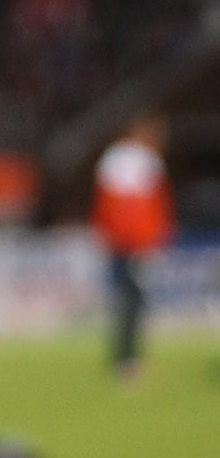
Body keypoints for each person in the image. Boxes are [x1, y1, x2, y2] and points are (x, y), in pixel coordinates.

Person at [94, 112, 175, 384]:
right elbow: (142, 208)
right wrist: (148, 240)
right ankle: (128, 361)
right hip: (134, 243)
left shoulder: (113, 158)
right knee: (134, 301)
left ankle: (127, 359)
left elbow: (107, 208)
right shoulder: (144, 161)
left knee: (127, 300)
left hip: (120, 242)